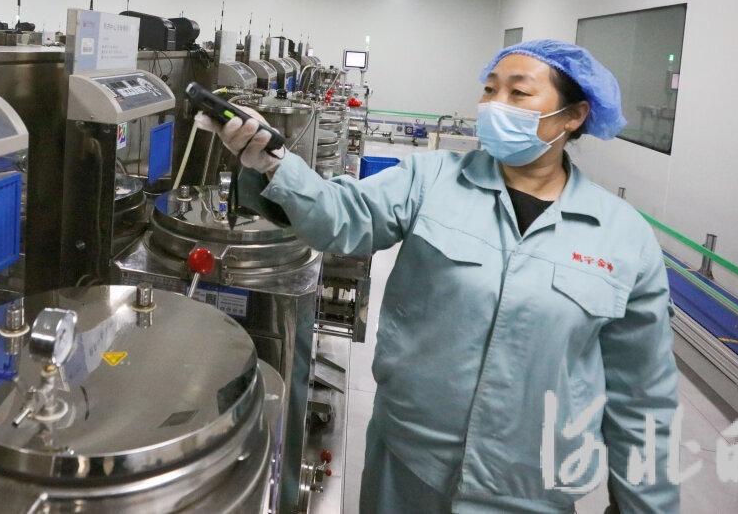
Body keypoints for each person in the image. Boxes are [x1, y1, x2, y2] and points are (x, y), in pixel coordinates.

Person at [195, 39, 679, 512]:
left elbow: (644, 396)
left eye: (518, 92)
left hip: (531, 485)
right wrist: (274, 163)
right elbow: (341, 216)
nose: (495, 105)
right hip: (410, 464)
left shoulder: (622, 236)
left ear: (573, 116)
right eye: (489, 89)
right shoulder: (430, 179)